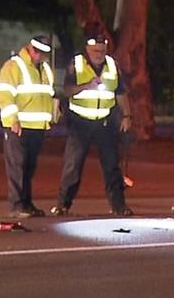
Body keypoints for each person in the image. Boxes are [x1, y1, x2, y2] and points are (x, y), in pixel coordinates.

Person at [50, 22, 133, 216]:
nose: (99, 54)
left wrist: (127, 115)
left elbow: (121, 92)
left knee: (112, 165)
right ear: (87, 48)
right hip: (80, 122)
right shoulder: (77, 63)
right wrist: (87, 85)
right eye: (95, 50)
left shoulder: (112, 65)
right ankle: (63, 204)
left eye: (102, 50)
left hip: (105, 121)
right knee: (73, 165)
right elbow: (67, 90)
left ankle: (119, 206)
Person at [0, 35, 56, 218]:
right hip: (18, 126)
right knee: (17, 167)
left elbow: (48, 95)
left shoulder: (45, 69)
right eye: (37, 52)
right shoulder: (14, 66)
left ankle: (27, 203)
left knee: (29, 168)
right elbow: (5, 95)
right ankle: (17, 205)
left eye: (44, 53)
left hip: (37, 126)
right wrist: (13, 120)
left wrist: (53, 116)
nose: (40, 56)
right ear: (30, 48)